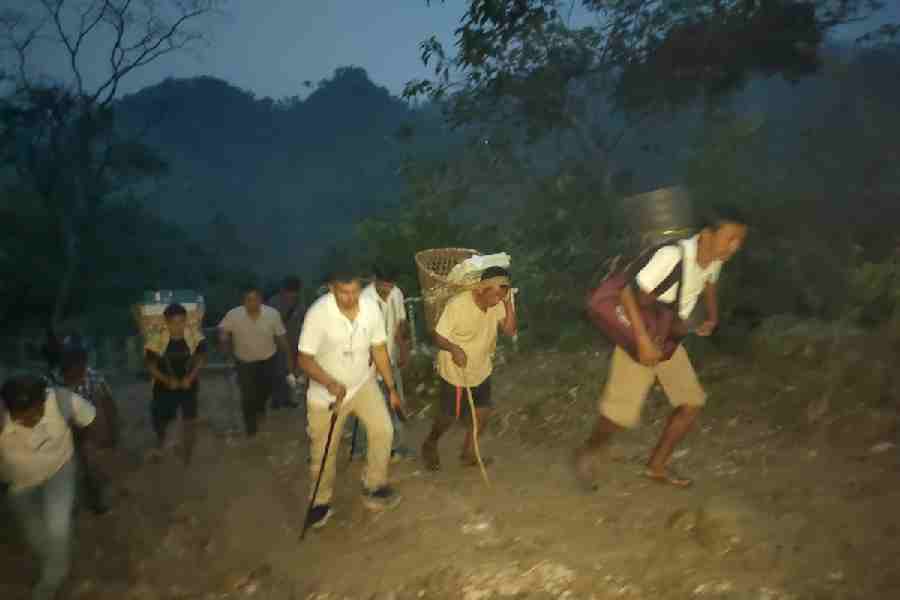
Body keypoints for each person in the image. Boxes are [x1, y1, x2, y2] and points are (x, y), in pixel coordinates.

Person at [574, 205, 749, 489]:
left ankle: (656, 466)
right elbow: (627, 292)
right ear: (707, 234)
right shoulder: (672, 256)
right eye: (731, 238)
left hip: (668, 339)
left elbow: (710, 282)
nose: (735, 247)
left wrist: (712, 316)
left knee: (691, 403)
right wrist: (642, 341)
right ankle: (587, 453)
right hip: (643, 331)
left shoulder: (715, 257)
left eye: (740, 240)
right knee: (620, 415)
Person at [297, 268, 405, 529]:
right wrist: (329, 383)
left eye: (355, 291)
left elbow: (378, 348)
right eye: (343, 292)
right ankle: (320, 501)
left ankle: (374, 485)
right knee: (324, 451)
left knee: (383, 431)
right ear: (332, 289)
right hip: (326, 396)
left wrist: (391, 388)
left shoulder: (369, 308)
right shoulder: (318, 314)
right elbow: (304, 359)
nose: (350, 297)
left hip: (362, 385)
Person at [1, 374, 98, 600]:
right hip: (19, 484)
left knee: (57, 525)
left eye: (35, 413)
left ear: (44, 399)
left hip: (59, 470)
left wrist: (83, 449)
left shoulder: (63, 401)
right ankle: (57, 559)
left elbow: (90, 419)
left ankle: (52, 578)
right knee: (34, 533)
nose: (31, 421)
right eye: (22, 418)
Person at [421, 266, 518, 471]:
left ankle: (468, 453)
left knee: (482, 413)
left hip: (481, 368)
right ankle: (430, 444)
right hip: (456, 370)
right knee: (448, 416)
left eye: (504, 292)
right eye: (497, 292)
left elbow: (509, 331)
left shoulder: (499, 303)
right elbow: (438, 336)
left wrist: (509, 304)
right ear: (481, 288)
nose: (500, 297)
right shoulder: (459, 305)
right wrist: (453, 348)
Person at [351, 265, 414, 461]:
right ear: (375, 280)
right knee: (366, 407)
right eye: (383, 285)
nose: (387, 290)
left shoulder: (396, 293)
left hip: (390, 358)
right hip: (367, 362)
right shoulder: (364, 300)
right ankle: (361, 448)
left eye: (390, 285)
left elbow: (400, 323)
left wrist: (404, 350)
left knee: (395, 403)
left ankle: (396, 447)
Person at [218, 285, 296, 437]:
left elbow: (281, 339)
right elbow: (223, 332)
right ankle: (250, 427)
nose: (252, 303)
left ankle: (260, 410)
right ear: (243, 301)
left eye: (255, 299)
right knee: (247, 395)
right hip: (244, 361)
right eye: (248, 300)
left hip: (268, 360)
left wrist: (289, 360)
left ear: (261, 300)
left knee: (264, 391)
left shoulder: (272, 314)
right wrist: (225, 346)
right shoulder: (233, 315)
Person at [56, 339, 117, 514]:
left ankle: (95, 500)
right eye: (68, 367)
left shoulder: (94, 378)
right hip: (65, 430)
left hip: (88, 428)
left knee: (90, 465)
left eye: (78, 366)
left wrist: (112, 429)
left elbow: (109, 404)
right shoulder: (57, 382)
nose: (74, 372)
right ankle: (72, 503)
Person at [144, 303, 208, 464]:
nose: (178, 326)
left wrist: (190, 378)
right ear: (166, 322)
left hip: (189, 384)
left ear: (186, 320)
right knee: (161, 418)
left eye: (181, 321)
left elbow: (201, 359)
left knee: (189, 420)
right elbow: (150, 366)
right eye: (174, 322)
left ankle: (187, 453)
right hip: (163, 386)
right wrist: (167, 380)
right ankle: (162, 442)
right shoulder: (156, 339)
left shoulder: (195, 337)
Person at [267, 276, 306, 410]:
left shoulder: (299, 305)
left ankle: (288, 398)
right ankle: (276, 399)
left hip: (294, 342)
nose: (292, 294)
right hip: (277, 341)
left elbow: (303, 323)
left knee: (290, 370)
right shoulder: (273, 303)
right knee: (277, 371)